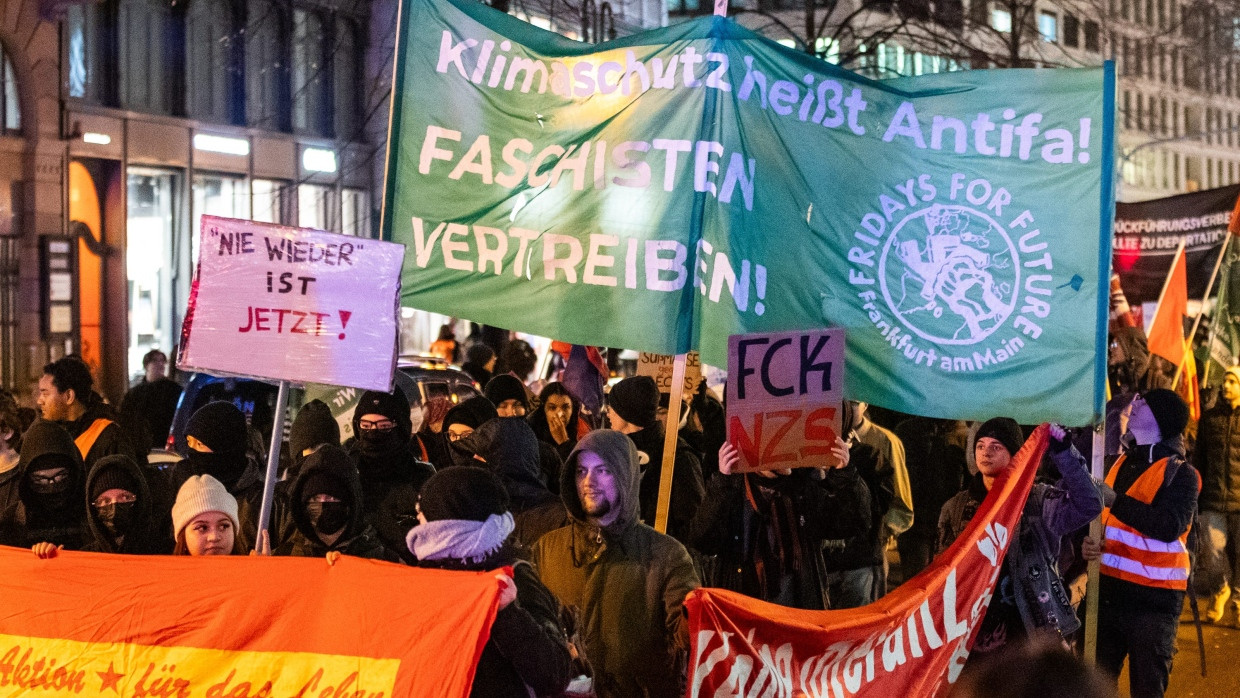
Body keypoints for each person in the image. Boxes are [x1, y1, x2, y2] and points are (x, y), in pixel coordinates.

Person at [532, 430, 701, 698]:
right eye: (581, 471)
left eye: (603, 471)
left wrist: (697, 614)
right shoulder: (548, 549)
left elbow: (693, 638)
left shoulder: (666, 555)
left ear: (625, 476)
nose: (589, 481)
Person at [939, 418, 1101, 659]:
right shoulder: (957, 507)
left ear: (1015, 454)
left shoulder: (1037, 499)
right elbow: (941, 571)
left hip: (1032, 628)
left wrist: (1064, 454)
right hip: (972, 631)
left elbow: (1089, 504)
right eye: (981, 446)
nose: (986, 452)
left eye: (996, 446)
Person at [408, 466, 573, 697]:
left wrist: (508, 614)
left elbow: (555, 675)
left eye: (425, 512)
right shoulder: (429, 573)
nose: (418, 518)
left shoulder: (515, 577)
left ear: (450, 525)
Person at [1082, 389, 1199, 698]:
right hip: (1107, 594)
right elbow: (1108, 523)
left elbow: (1169, 526)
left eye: (1143, 403)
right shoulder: (1116, 463)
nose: (1133, 405)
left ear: (1161, 418)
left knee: (1146, 690)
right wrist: (1091, 545)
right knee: (1094, 686)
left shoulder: (1182, 474)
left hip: (1153, 603)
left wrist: (1115, 501)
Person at [690, 438, 867, 610]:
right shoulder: (733, 488)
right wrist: (722, 483)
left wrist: (846, 474)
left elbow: (855, 522)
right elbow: (703, 541)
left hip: (798, 618)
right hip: (745, 621)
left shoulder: (803, 489)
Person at [605, 376, 704, 542]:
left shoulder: (677, 456)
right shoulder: (613, 451)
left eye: (612, 407)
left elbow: (692, 524)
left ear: (626, 412)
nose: (608, 414)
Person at [347, 387, 436, 562]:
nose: (373, 433)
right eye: (365, 426)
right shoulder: (347, 477)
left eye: (384, 426)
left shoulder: (423, 479)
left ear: (401, 429)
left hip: (408, 581)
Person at [276, 444, 398, 561]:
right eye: (315, 499)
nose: (323, 504)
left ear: (351, 503)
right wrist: (263, 571)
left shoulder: (383, 560)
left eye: (331, 498)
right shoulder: (284, 557)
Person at [463, 417, 568, 549]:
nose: (474, 459)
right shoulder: (483, 514)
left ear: (507, 460)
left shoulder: (557, 518)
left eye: (482, 455)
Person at [846, 401, 914, 599]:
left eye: (852, 403)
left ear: (865, 404)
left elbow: (901, 504)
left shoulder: (885, 441)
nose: (846, 408)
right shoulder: (825, 437)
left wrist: (880, 534)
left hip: (867, 556)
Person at [169, 401, 263, 541]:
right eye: (189, 442)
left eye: (199, 444)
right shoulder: (181, 479)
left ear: (225, 448)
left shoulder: (262, 501)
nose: (191, 452)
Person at [1193, 365, 1240, 624]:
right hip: (1212, 497)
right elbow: (1200, 459)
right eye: (1225, 380)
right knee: (1212, 554)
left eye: (1232, 381)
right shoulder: (1209, 419)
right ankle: (1221, 589)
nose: (1226, 385)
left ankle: (1239, 599)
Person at [895, 415, 970, 579]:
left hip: (951, 527)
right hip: (915, 525)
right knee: (916, 586)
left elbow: (970, 483)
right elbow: (898, 476)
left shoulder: (963, 436)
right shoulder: (907, 432)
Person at [37, 357, 136, 470]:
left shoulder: (108, 437)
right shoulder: (49, 433)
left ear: (69, 396)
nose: (39, 401)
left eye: (45, 394)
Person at [4, 420, 87, 549]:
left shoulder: (94, 515)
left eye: (60, 476)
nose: (52, 486)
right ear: (27, 480)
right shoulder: (13, 521)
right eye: (40, 480)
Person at [80, 454, 170, 553]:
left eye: (125, 497)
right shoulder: (84, 558)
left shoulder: (166, 552)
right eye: (105, 501)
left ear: (140, 500)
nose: (114, 507)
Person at [119, 349, 183, 450]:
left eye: (162, 361)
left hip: (164, 442)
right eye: (155, 361)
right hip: (141, 445)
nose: (160, 364)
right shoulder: (134, 394)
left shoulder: (174, 390)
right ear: (146, 365)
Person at [171, 474, 251, 555]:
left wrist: (260, 566)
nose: (214, 537)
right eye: (202, 528)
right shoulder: (160, 567)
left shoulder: (252, 567)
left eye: (224, 526)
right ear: (183, 536)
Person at [528, 382, 587, 489]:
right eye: (552, 408)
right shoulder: (531, 435)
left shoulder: (582, 433)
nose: (559, 414)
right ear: (543, 410)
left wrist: (565, 443)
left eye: (565, 407)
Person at [437, 396, 499, 469]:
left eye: (466, 435)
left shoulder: (508, 470)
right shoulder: (443, 474)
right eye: (452, 435)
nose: (458, 441)